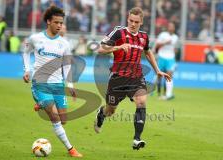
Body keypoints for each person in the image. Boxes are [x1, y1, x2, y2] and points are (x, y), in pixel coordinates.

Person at [94, 7, 171, 150]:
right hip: (117, 78)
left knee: (141, 102)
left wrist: (158, 70)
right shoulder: (118, 32)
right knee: (111, 110)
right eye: (131, 20)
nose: (133, 24)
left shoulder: (144, 37)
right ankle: (101, 114)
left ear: (141, 22)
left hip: (136, 77)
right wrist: (118, 47)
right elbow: (100, 49)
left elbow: (148, 53)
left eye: (136, 22)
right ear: (127, 19)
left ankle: (137, 139)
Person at [22, 6, 82, 157]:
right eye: (56, 22)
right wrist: (27, 70)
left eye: (61, 23)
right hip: (40, 83)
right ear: (48, 22)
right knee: (54, 117)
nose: (60, 25)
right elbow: (26, 52)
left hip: (58, 84)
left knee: (63, 120)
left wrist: (70, 84)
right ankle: (71, 149)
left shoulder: (64, 44)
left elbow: (67, 65)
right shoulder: (35, 38)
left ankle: (41, 104)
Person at [155, 22, 178, 100]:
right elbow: (157, 45)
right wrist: (165, 42)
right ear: (168, 27)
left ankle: (168, 94)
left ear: (174, 28)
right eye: (170, 26)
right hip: (162, 57)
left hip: (170, 58)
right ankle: (158, 92)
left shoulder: (175, 37)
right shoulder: (163, 35)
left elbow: (174, 48)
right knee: (159, 76)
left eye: (173, 26)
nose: (171, 28)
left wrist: (175, 60)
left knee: (169, 75)